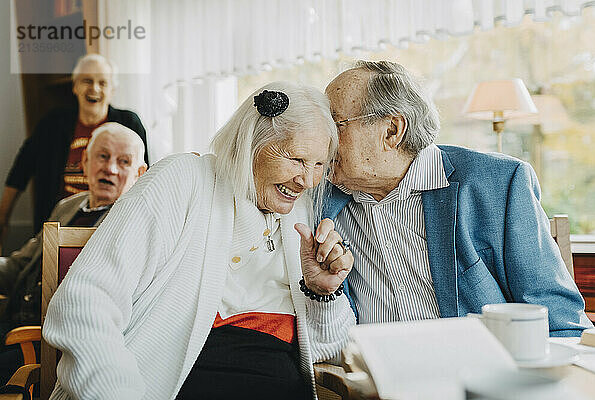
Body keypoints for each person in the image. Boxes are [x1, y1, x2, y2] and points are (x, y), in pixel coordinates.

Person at [42, 82, 356, 399]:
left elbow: (324, 351)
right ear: (251, 143)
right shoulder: (182, 181)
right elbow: (85, 303)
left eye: (319, 165)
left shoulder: (296, 216)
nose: (308, 180)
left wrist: (321, 292)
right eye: (296, 159)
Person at [323, 60, 592, 337]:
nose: (323, 140)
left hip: (484, 371)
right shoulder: (321, 200)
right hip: (378, 373)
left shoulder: (498, 184)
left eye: (335, 125)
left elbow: (559, 322)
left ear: (392, 130)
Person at [0, 122, 147, 384]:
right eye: (102, 156)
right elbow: (20, 265)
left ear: (139, 173)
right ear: (85, 162)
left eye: (123, 162)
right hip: (10, 322)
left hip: (46, 344)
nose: (110, 168)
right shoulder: (67, 206)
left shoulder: (129, 224)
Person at [0, 54, 149, 249]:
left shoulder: (128, 124)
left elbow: (146, 180)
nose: (94, 88)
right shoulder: (53, 123)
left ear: (112, 90)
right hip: (60, 222)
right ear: (75, 86)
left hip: (112, 226)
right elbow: (21, 169)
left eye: (102, 83)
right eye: (87, 80)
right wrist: (3, 217)